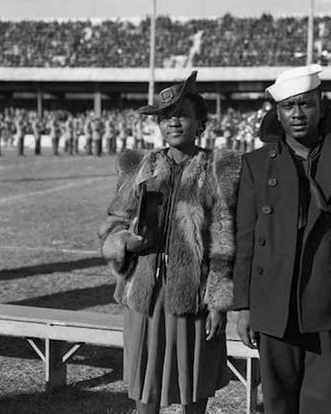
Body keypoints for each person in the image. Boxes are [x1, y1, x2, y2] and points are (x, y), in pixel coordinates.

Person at [233, 64, 331, 414]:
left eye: (305, 104)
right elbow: (246, 241)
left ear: (321, 105)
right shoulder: (255, 164)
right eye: (288, 106)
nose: (297, 114)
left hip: (328, 302)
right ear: (278, 114)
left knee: (321, 403)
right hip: (272, 303)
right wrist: (243, 308)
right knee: (277, 402)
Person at [99, 71, 240, 414]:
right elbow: (114, 223)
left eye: (182, 115)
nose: (173, 123)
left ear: (200, 122)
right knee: (145, 383)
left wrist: (218, 302)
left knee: (194, 381)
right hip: (145, 295)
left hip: (193, 296)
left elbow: (224, 240)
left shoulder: (217, 169)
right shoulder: (140, 167)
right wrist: (124, 242)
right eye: (166, 117)